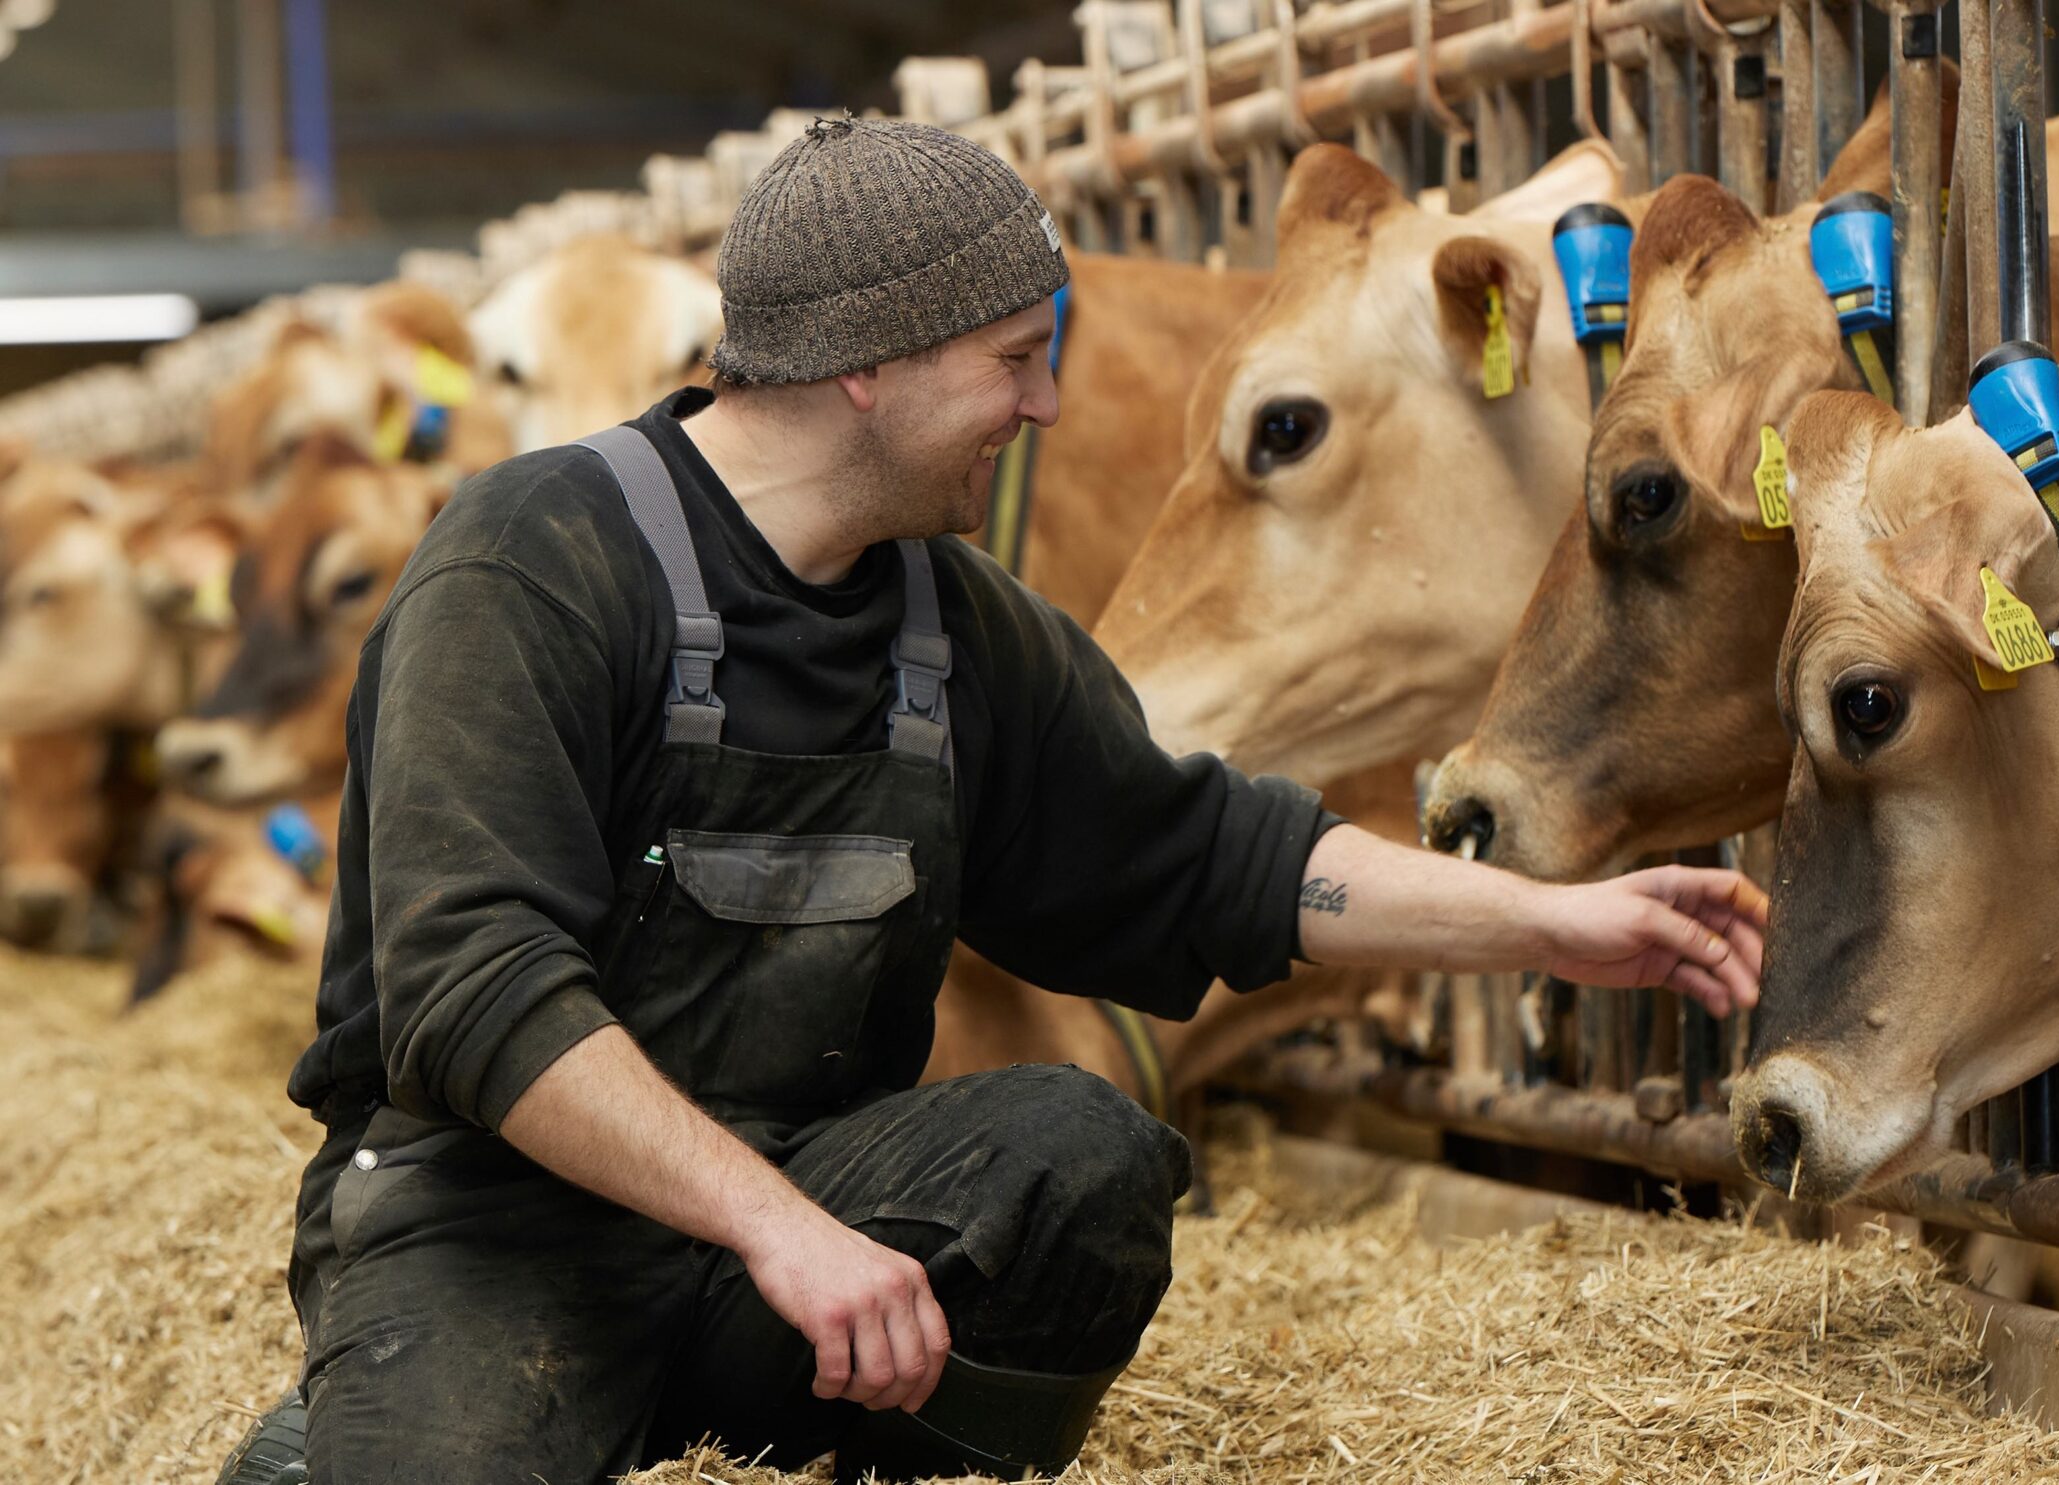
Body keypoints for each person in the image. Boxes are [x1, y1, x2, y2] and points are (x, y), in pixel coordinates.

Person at [219, 118, 1767, 1485]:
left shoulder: (949, 622)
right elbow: (475, 993)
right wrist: (783, 1229)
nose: (1042, 407)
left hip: (792, 1227)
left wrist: (1552, 921)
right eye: (1015, 358)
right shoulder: (531, 560)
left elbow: (1204, 851)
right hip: (501, 1232)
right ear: (868, 368)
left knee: (1076, 1158)